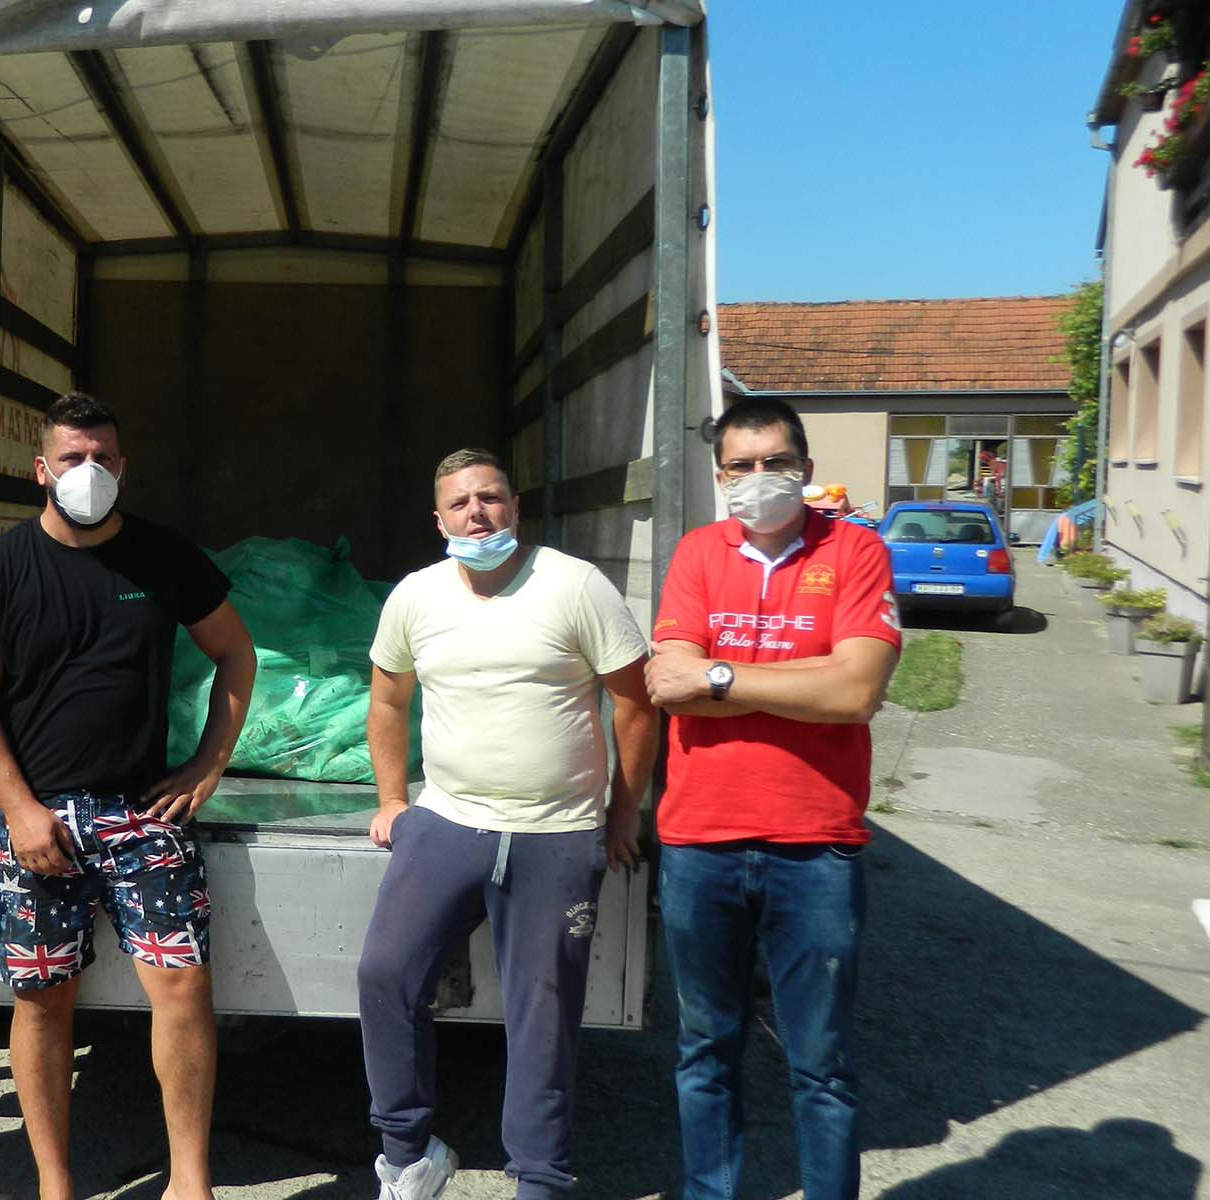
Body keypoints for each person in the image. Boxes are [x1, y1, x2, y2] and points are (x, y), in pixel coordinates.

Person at [0, 391, 257, 1200]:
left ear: (124, 466)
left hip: (141, 814)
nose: (90, 471)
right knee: (42, 1002)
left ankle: (190, 1182)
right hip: (35, 817)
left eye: (103, 458)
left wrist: (208, 765)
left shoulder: (164, 555)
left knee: (183, 989)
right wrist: (19, 809)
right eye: (73, 458)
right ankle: (55, 1185)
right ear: (40, 470)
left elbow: (235, 653)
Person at [357, 448, 658, 1200]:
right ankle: (407, 1154)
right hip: (448, 820)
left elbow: (634, 701)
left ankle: (540, 1179)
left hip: (557, 831)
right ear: (439, 521)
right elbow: (388, 701)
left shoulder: (575, 585)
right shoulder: (416, 596)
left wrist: (624, 809)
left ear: (516, 507)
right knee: (385, 973)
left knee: (542, 1013)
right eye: (459, 504)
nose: (477, 514)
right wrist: (392, 799)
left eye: (490, 498)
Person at [643, 396, 902, 1200]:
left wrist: (721, 675)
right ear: (720, 477)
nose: (759, 478)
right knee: (704, 1051)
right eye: (741, 466)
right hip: (700, 842)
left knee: (821, 1064)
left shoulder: (856, 551)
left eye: (776, 462)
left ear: (806, 469)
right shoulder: (697, 552)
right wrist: (806, 678)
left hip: (816, 846)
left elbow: (856, 693)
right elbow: (669, 685)